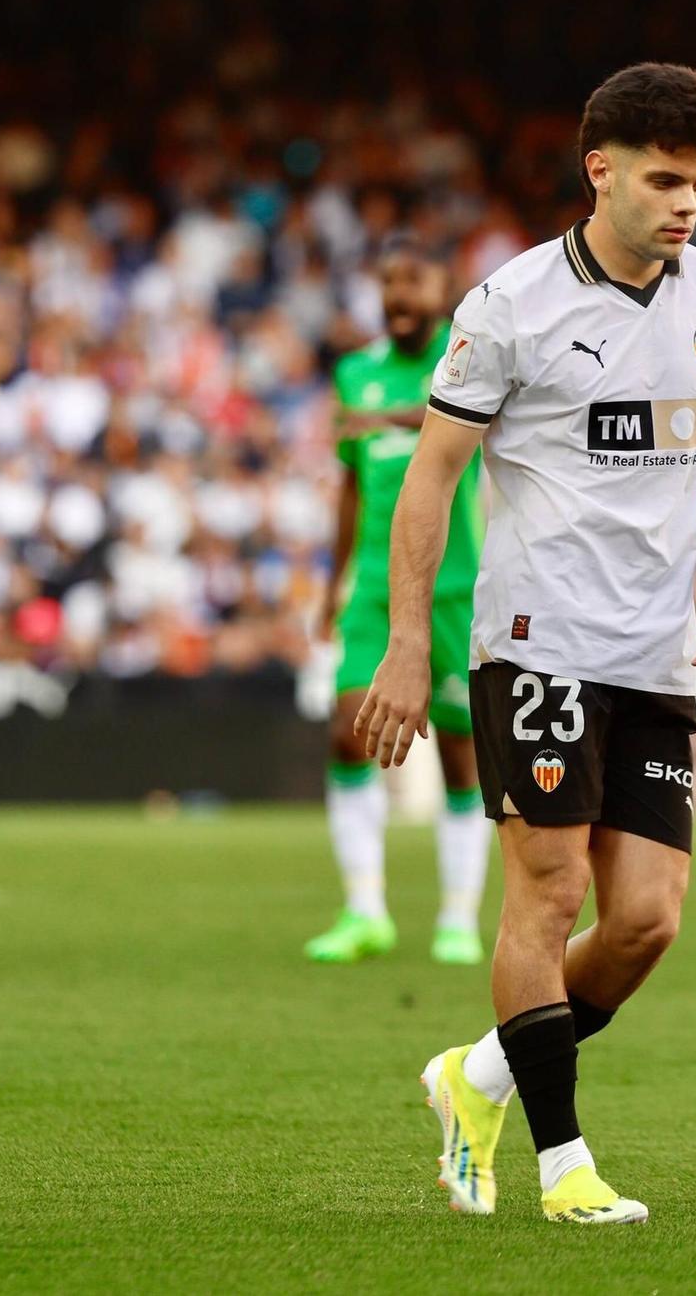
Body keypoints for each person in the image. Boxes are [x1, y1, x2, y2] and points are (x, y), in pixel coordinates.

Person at [356, 63, 696, 1224]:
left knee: (644, 919)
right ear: (599, 170)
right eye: (663, 178)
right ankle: (559, 1164)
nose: (687, 202)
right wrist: (406, 644)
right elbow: (429, 479)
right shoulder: (510, 305)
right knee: (542, 898)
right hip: (535, 641)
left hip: (652, 653)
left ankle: (473, 1075)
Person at [308, 240, 491, 966]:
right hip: (376, 589)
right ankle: (364, 909)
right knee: (347, 733)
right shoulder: (355, 372)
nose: (400, 296)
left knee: (460, 755)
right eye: (388, 283)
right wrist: (333, 583)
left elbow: (462, 418)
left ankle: (457, 917)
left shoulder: (468, 356)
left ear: (443, 287)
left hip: (456, 588)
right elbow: (350, 486)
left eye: (414, 281)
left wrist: (381, 423)